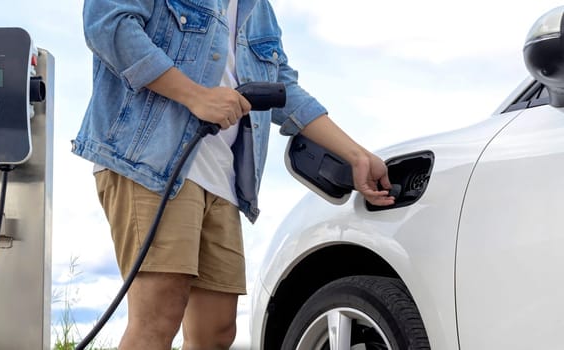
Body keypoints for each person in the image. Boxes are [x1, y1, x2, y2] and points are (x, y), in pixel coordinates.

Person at [71, 0, 395, 348]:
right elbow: (108, 25)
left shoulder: (258, 9)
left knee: (217, 330)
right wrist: (196, 96)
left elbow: (282, 87)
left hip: (222, 177)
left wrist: (356, 154)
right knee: (159, 314)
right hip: (153, 162)